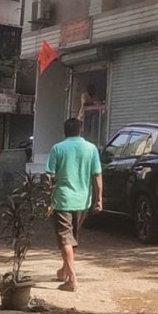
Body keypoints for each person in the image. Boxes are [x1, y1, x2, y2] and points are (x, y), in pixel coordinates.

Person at [44, 118, 102, 292]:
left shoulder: (58, 148)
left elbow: (48, 176)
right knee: (71, 238)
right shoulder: (91, 148)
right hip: (83, 200)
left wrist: (47, 200)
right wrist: (99, 199)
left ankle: (72, 279)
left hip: (63, 199)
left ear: (65, 131)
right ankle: (64, 271)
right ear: (81, 130)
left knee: (65, 239)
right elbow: (97, 176)